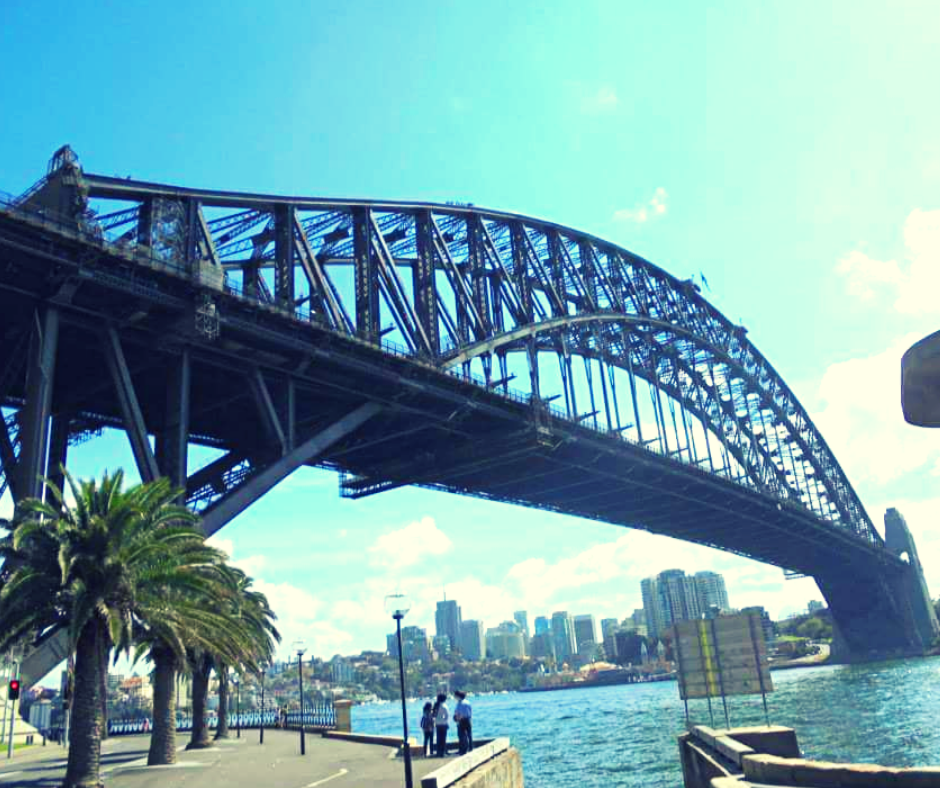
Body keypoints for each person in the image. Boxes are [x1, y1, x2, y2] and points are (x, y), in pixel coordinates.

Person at [454, 690, 473, 754]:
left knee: (461, 735)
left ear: (458, 696)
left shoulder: (459, 703)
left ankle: (462, 749)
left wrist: (457, 720)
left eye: (456, 696)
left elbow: (458, 714)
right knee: (469, 735)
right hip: (468, 719)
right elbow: (470, 711)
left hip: (462, 721)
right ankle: (470, 748)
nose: (455, 697)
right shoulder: (468, 702)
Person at [433, 692, 449, 757]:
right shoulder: (444, 706)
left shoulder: (436, 705)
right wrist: (445, 721)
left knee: (439, 739)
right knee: (443, 738)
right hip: (443, 724)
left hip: (437, 724)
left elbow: (433, 715)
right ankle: (443, 752)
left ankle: (438, 752)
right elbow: (447, 716)